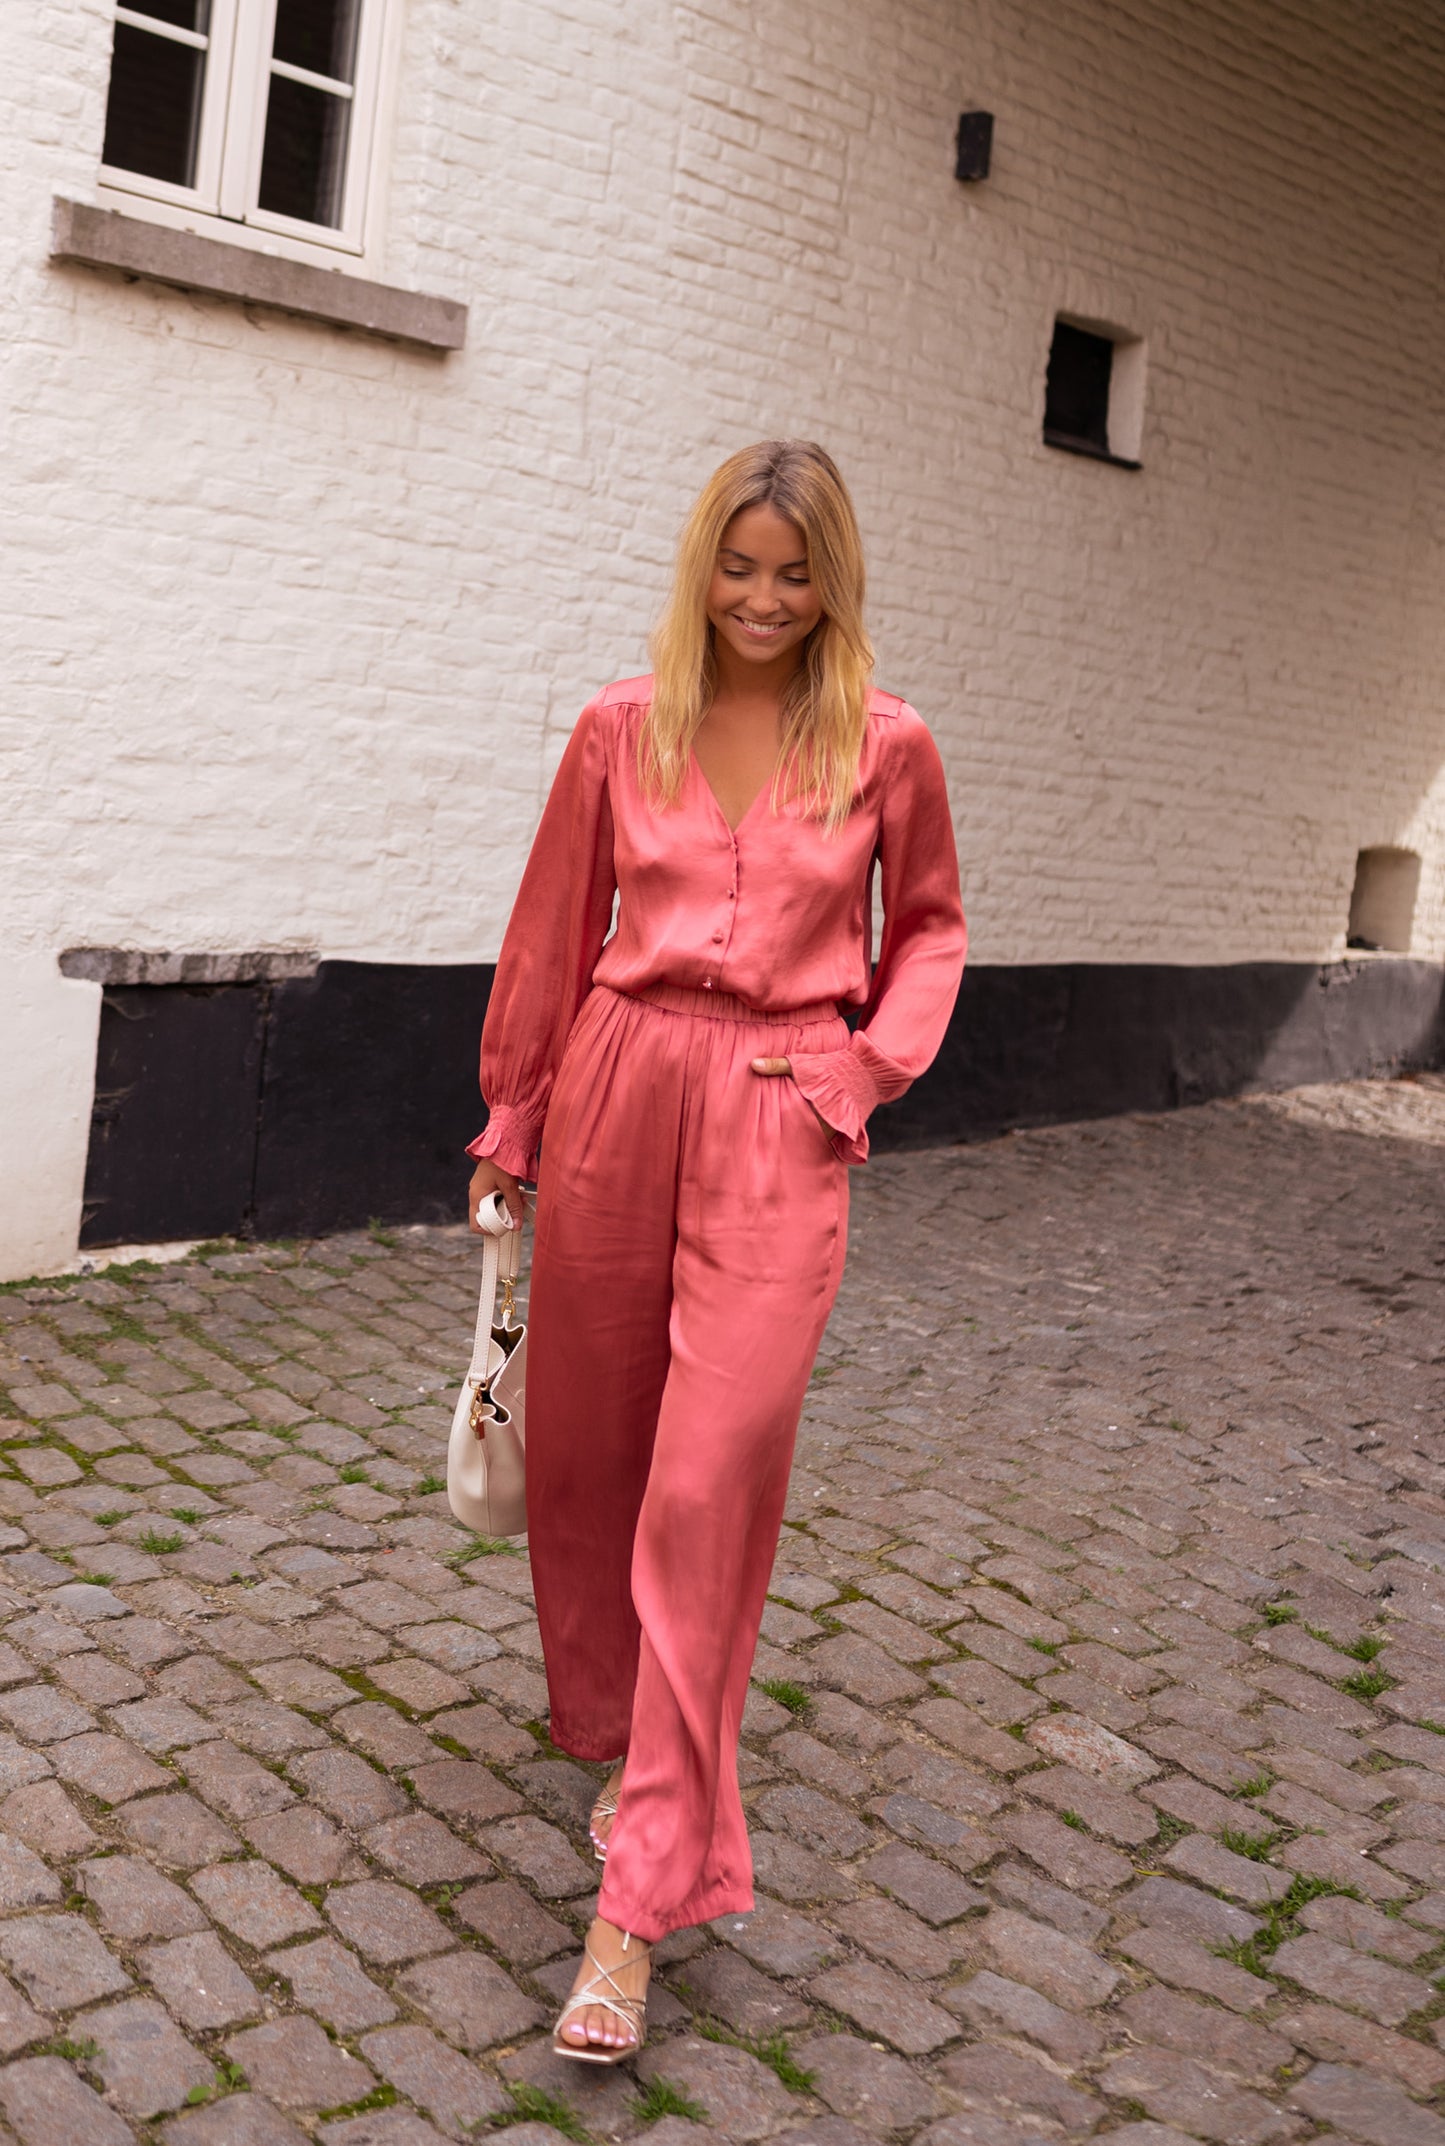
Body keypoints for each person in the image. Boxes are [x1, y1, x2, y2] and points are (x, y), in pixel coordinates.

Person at [465, 438, 966, 2063]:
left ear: (835, 584)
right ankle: (622, 1731)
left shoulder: (890, 749)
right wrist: (511, 1128)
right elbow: (552, 929)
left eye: (794, 572)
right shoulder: (625, 722)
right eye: (739, 568)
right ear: (704, 568)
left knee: (704, 1486)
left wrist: (855, 1071)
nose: (763, 598)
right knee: (595, 1465)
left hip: (775, 1118)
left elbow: (932, 928)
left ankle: (639, 1895)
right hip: (616, 1092)